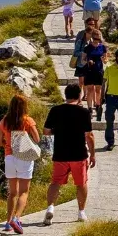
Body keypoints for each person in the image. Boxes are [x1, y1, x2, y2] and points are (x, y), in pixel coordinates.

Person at [42, 83, 96, 223]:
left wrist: (57, 131)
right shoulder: (84, 112)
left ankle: (50, 208)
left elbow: (46, 132)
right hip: (79, 154)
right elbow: (89, 136)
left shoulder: (55, 110)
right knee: (81, 183)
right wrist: (93, 154)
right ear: (79, 96)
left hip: (60, 153)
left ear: (65, 95)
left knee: (55, 183)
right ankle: (81, 212)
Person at [0, 94, 39, 234]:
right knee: (24, 192)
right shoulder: (27, 120)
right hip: (24, 157)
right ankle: (17, 218)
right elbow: (37, 139)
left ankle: (8, 223)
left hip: (9, 157)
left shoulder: (4, 121)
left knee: (12, 192)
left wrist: (7, 144)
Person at [78, 21, 108, 117]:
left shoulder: (103, 48)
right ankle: (90, 108)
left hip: (99, 71)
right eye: (94, 39)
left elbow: (106, 60)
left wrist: (104, 59)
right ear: (92, 38)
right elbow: (82, 60)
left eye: (98, 39)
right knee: (90, 89)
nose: (96, 41)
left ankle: (98, 105)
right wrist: (87, 61)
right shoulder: (87, 48)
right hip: (89, 71)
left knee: (98, 90)